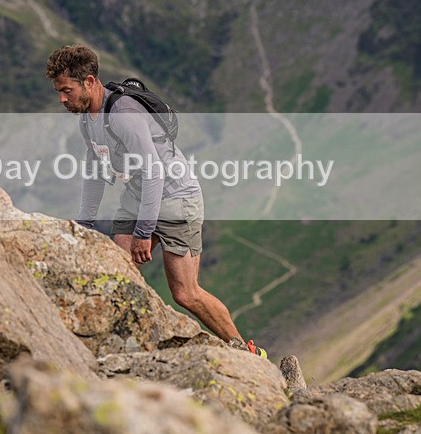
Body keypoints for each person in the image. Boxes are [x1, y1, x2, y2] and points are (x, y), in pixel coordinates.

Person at [45, 44, 267, 357]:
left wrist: (144, 232)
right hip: (136, 197)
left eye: (66, 90)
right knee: (119, 275)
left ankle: (248, 353)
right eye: (59, 91)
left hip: (176, 198)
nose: (62, 99)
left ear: (90, 82)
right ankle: (127, 353)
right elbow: (95, 171)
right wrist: (83, 225)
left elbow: (154, 174)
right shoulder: (88, 119)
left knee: (186, 294)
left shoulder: (123, 115)